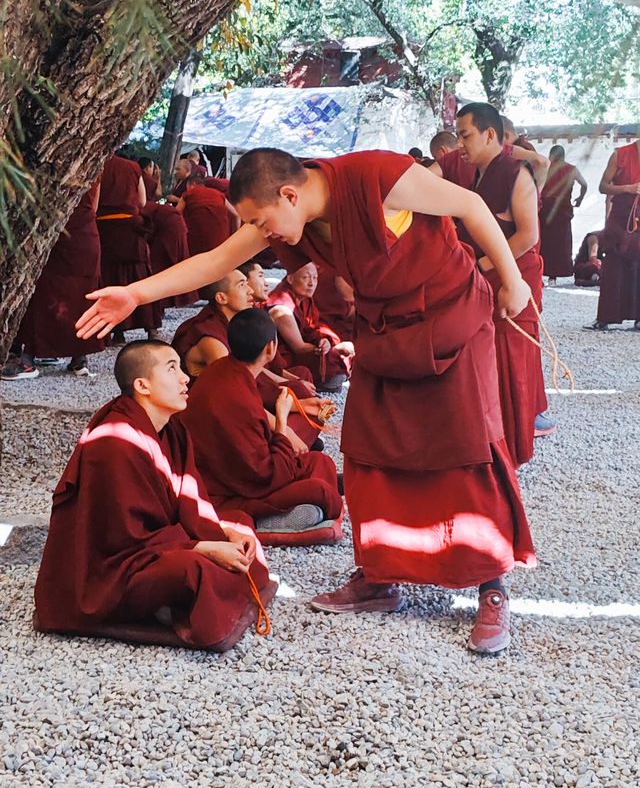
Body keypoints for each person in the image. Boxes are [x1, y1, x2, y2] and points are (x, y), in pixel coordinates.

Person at [76, 146, 537, 654]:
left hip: (452, 319)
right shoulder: (286, 214)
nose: (261, 233)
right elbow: (215, 261)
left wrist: (513, 281)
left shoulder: (377, 176)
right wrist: (135, 295)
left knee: (467, 448)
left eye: (260, 221)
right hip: (386, 333)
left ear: (289, 195)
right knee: (368, 449)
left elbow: (470, 205)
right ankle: (380, 576)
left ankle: (491, 588)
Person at [33, 339, 275, 651]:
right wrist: (204, 549)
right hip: (110, 571)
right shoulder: (115, 441)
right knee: (195, 571)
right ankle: (169, 604)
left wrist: (224, 534)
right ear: (142, 385)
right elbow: (123, 538)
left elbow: (190, 501)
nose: (185, 378)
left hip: (157, 544)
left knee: (240, 525)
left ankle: (174, 602)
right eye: (172, 369)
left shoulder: (173, 429)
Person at [431, 103, 553, 459]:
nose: (460, 144)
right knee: (484, 366)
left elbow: (527, 235)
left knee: (511, 367)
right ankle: (486, 446)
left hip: (510, 282)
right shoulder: (477, 174)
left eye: (465, 136)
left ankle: (511, 452)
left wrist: (481, 264)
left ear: (489, 135)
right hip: (484, 282)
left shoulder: (516, 173)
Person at [182, 309, 343, 535]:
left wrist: (296, 408)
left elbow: (262, 398)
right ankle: (270, 519)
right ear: (270, 348)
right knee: (322, 492)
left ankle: (301, 510)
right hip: (225, 493)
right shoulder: (238, 395)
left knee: (321, 462)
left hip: (233, 474)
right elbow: (263, 475)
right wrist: (282, 424)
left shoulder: (222, 368)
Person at [172, 270, 323, 450]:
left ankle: (294, 437)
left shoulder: (235, 323)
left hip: (243, 395)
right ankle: (285, 443)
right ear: (221, 298)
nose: (250, 290)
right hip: (220, 416)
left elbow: (252, 367)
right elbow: (237, 395)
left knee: (301, 383)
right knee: (306, 407)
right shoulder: (211, 341)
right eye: (242, 285)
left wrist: (288, 382)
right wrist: (286, 427)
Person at [2, 183, 105, 380]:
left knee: (44, 290)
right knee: (80, 293)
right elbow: (94, 206)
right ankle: (78, 358)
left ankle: (29, 358)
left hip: (55, 227)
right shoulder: (95, 168)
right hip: (84, 230)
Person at [97, 153, 161, 343]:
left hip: (106, 227)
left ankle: (117, 331)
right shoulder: (132, 167)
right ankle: (151, 328)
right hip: (130, 226)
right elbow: (142, 202)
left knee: (110, 276)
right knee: (140, 274)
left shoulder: (97, 165)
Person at [267, 262, 353, 392]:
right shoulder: (281, 308)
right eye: (306, 278)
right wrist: (334, 350)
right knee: (330, 363)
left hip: (306, 350)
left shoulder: (304, 298)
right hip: (286, 359)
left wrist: (323, 341)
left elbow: (313, 327)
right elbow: (299, 347)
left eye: (315, 278)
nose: (312, 283)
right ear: (290, 278)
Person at [587, 137, 640, 331]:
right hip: (620, 219)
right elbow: (603, 186)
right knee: (613, 267)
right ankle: (606, 317)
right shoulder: (621, 154)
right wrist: (628, 188)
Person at [540, 146, 587, 285]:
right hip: (562, 210)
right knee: (560, 243)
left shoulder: (545, 168)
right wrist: (580, 198)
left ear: (551, 155)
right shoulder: (571, 169)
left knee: (545, 242)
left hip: (545, 209)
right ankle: (553, 277)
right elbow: (584, 184)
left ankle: (540, 272)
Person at [142, 200, 199, 309]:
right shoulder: (143, 205)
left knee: (160, 263)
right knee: (177, 261)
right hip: (173, 222)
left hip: (169, 225)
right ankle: (180, 299)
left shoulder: (135, 206)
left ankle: (165, 301)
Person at [176, 175, 234, 257]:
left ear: (193, 185)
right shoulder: (219, 194)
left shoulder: (189, 193)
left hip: (198, 245)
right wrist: (233, 237)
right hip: (222, 243)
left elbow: (175, 215)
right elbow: (236, 215)